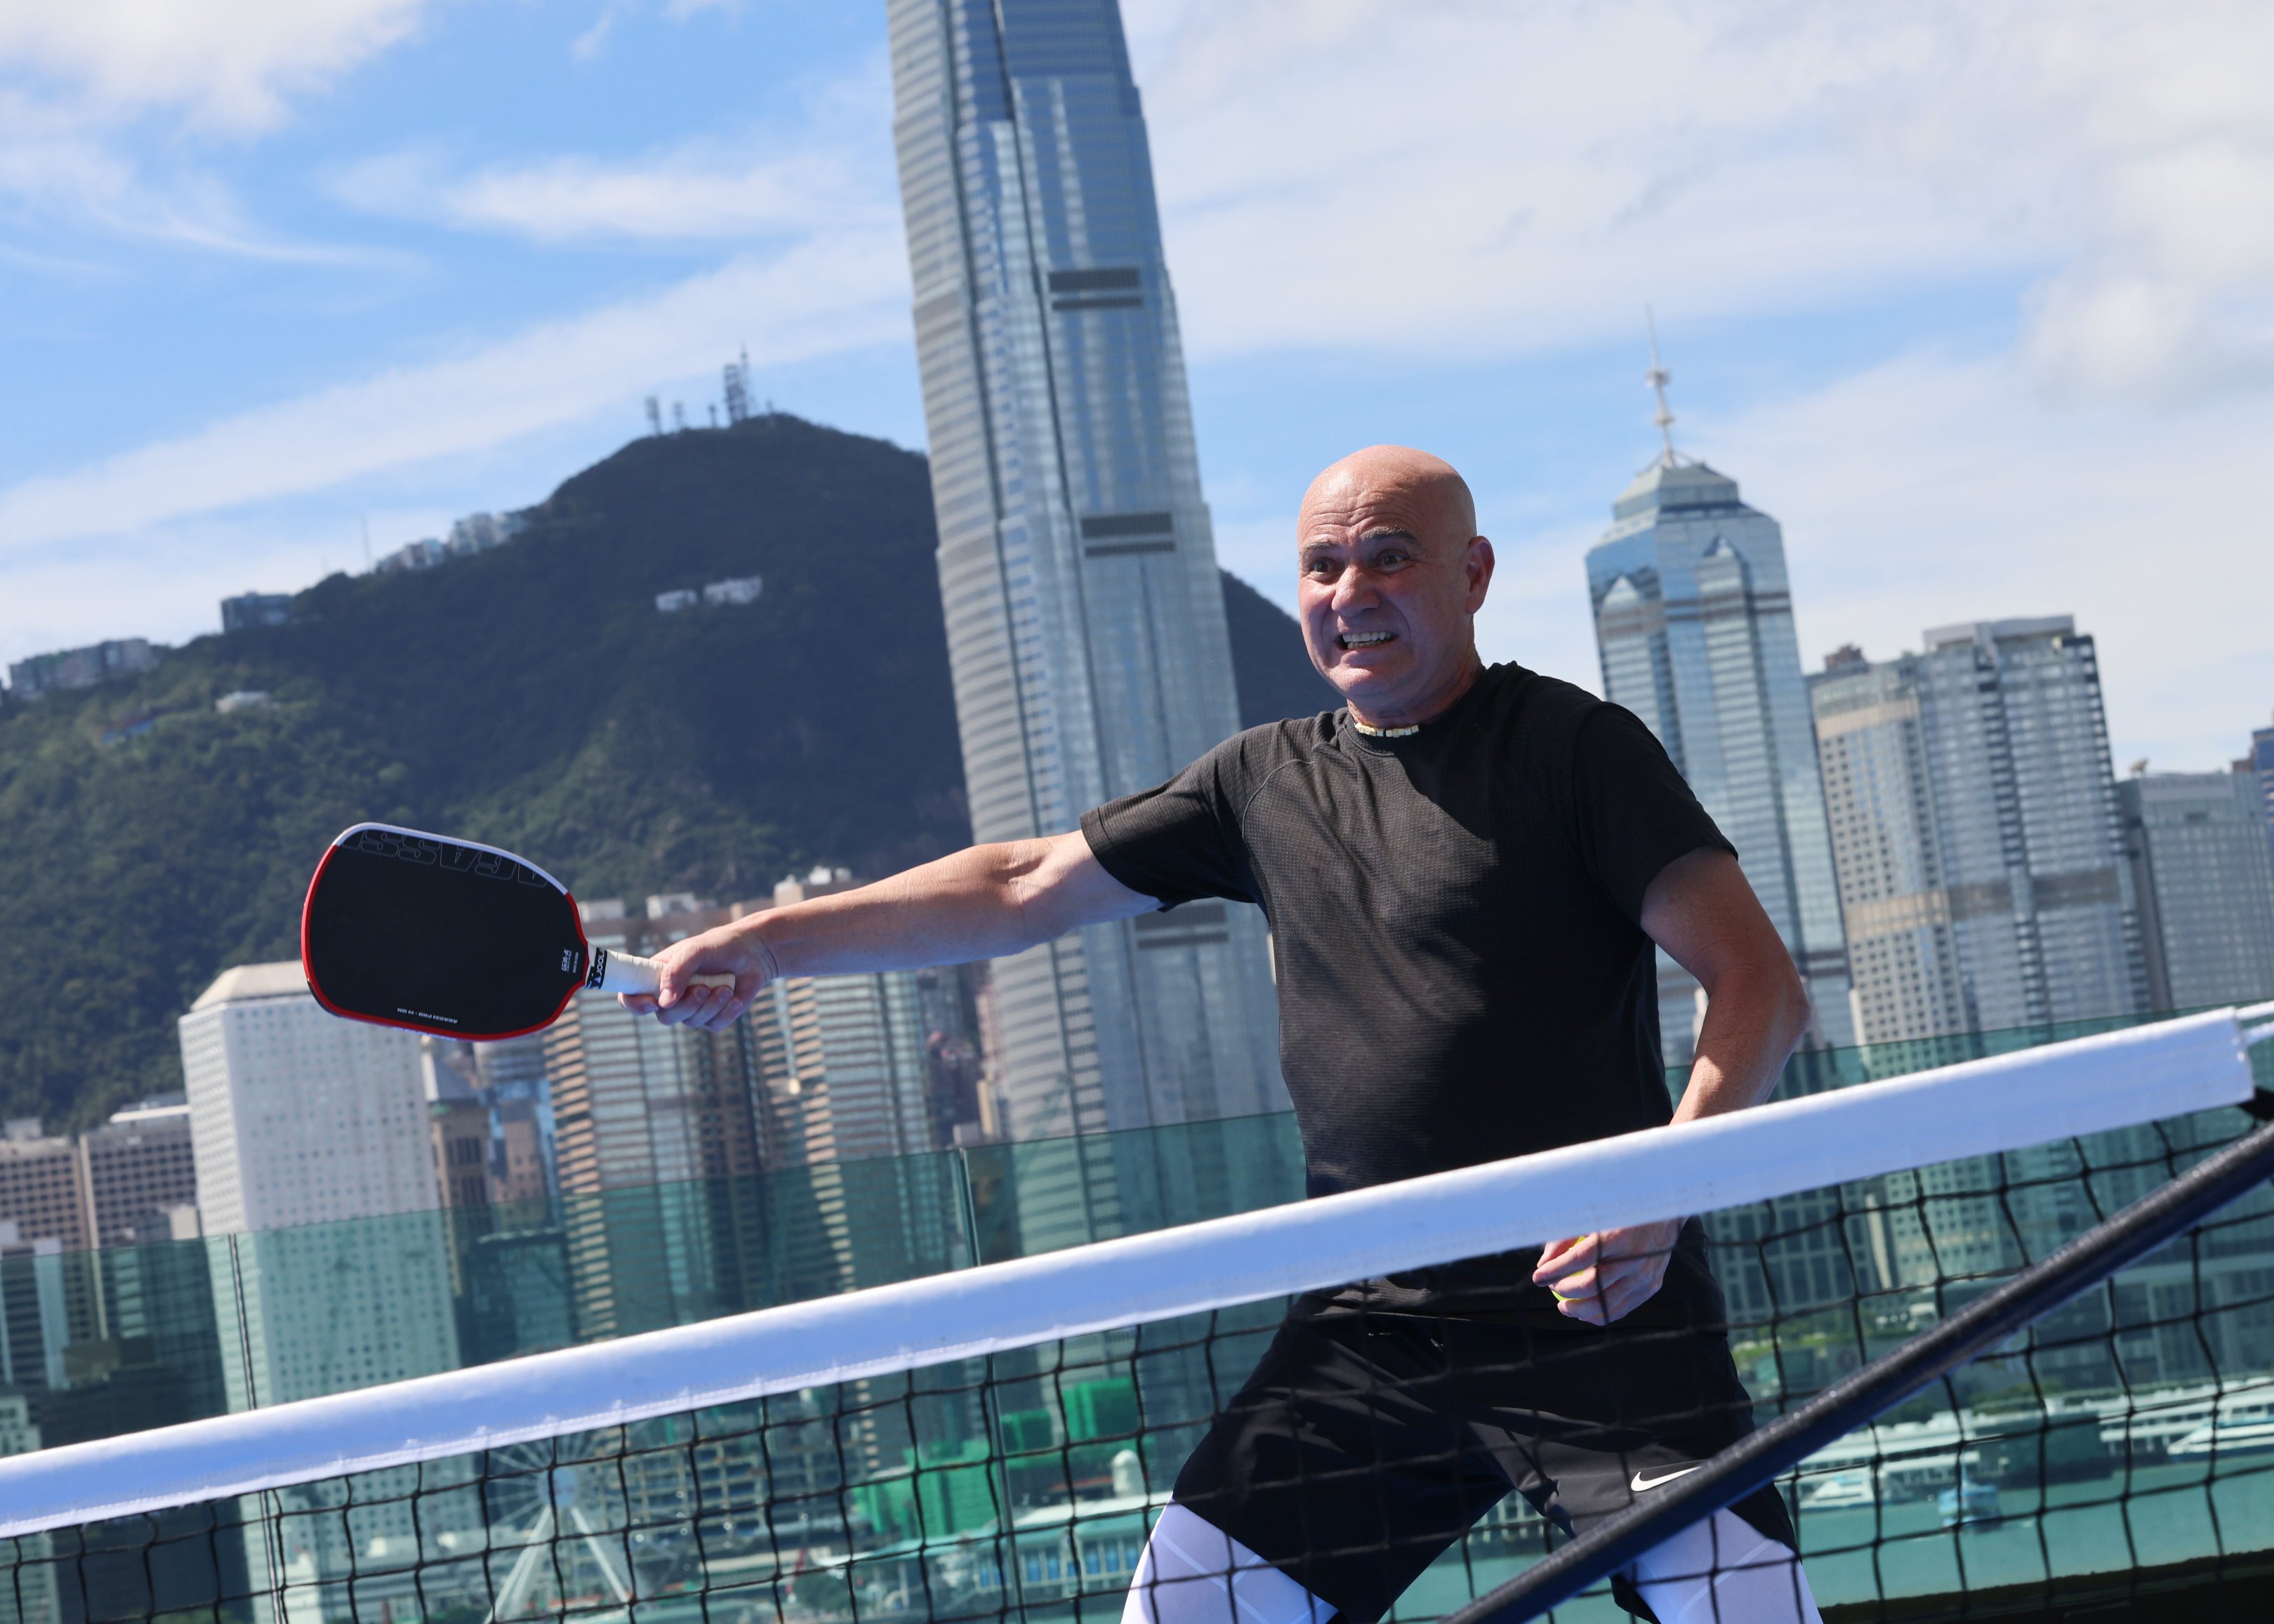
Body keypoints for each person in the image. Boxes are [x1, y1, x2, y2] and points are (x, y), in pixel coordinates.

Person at [643, 445, 1822, 1624]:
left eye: (1388, 556)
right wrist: (769, 941)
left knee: (1745, 1612)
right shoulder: (1264, 784)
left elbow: (1760, 983)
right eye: (1321, 564)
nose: (1350, 589)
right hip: (1372, 1332)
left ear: (1473, 574)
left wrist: (1656, 1195)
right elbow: (1021, 881)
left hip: (1595, 1316)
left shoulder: (1579, 748)